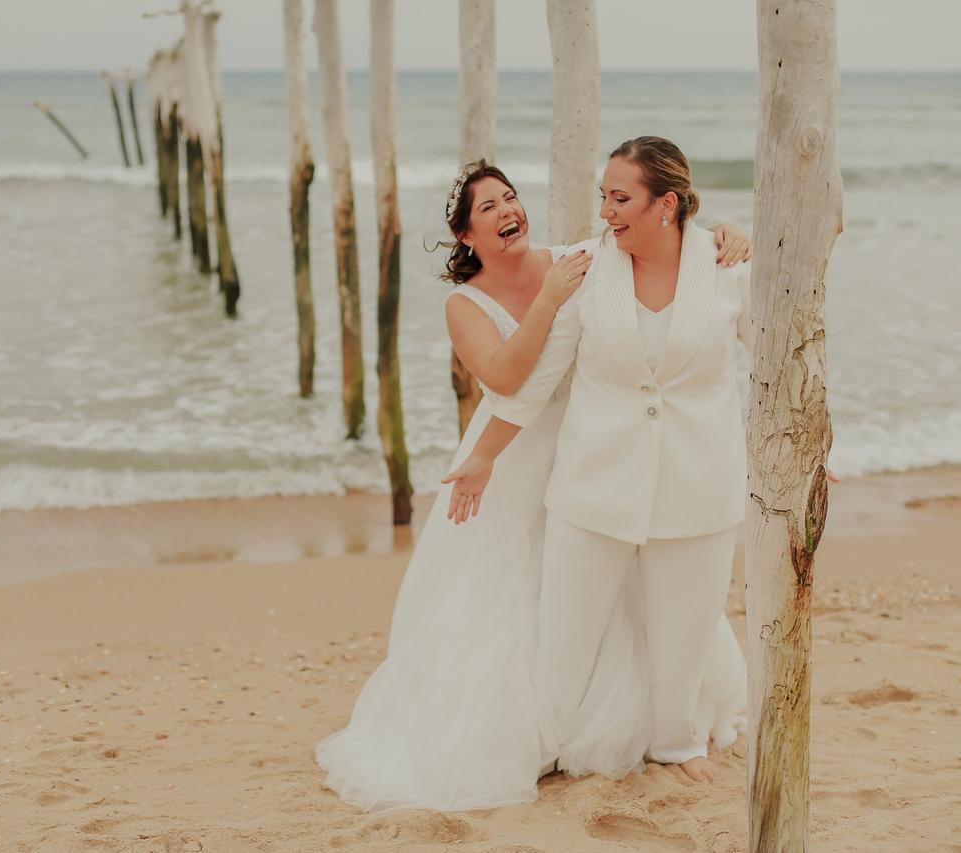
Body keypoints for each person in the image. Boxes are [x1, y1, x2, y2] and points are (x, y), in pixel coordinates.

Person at [315, 160, 750, 811]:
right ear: (466, 235)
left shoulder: (575, 257)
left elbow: (653, 254)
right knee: (527, 595)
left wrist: (720, 232)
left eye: (509, 197)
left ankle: (662, 727)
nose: (504, 210)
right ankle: (548, 727)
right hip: (524, 449)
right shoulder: (470, 302)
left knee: (644, 593)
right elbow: (513, 380)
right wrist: (546, 303)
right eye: (486, 207)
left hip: (606, 441)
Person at [444, 137, 755, 783]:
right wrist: (483, 458)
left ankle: (678, 742)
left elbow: (783, 359)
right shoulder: (586, 267)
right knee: (566, 639)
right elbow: (533, 382)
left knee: (684, 632)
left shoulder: (726, 267)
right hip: (593, 485)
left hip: (699, 484)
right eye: (603, 197)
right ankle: (547, 744)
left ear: (665, 203)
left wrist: (817, 445)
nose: (607, 212)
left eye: (621, 198)